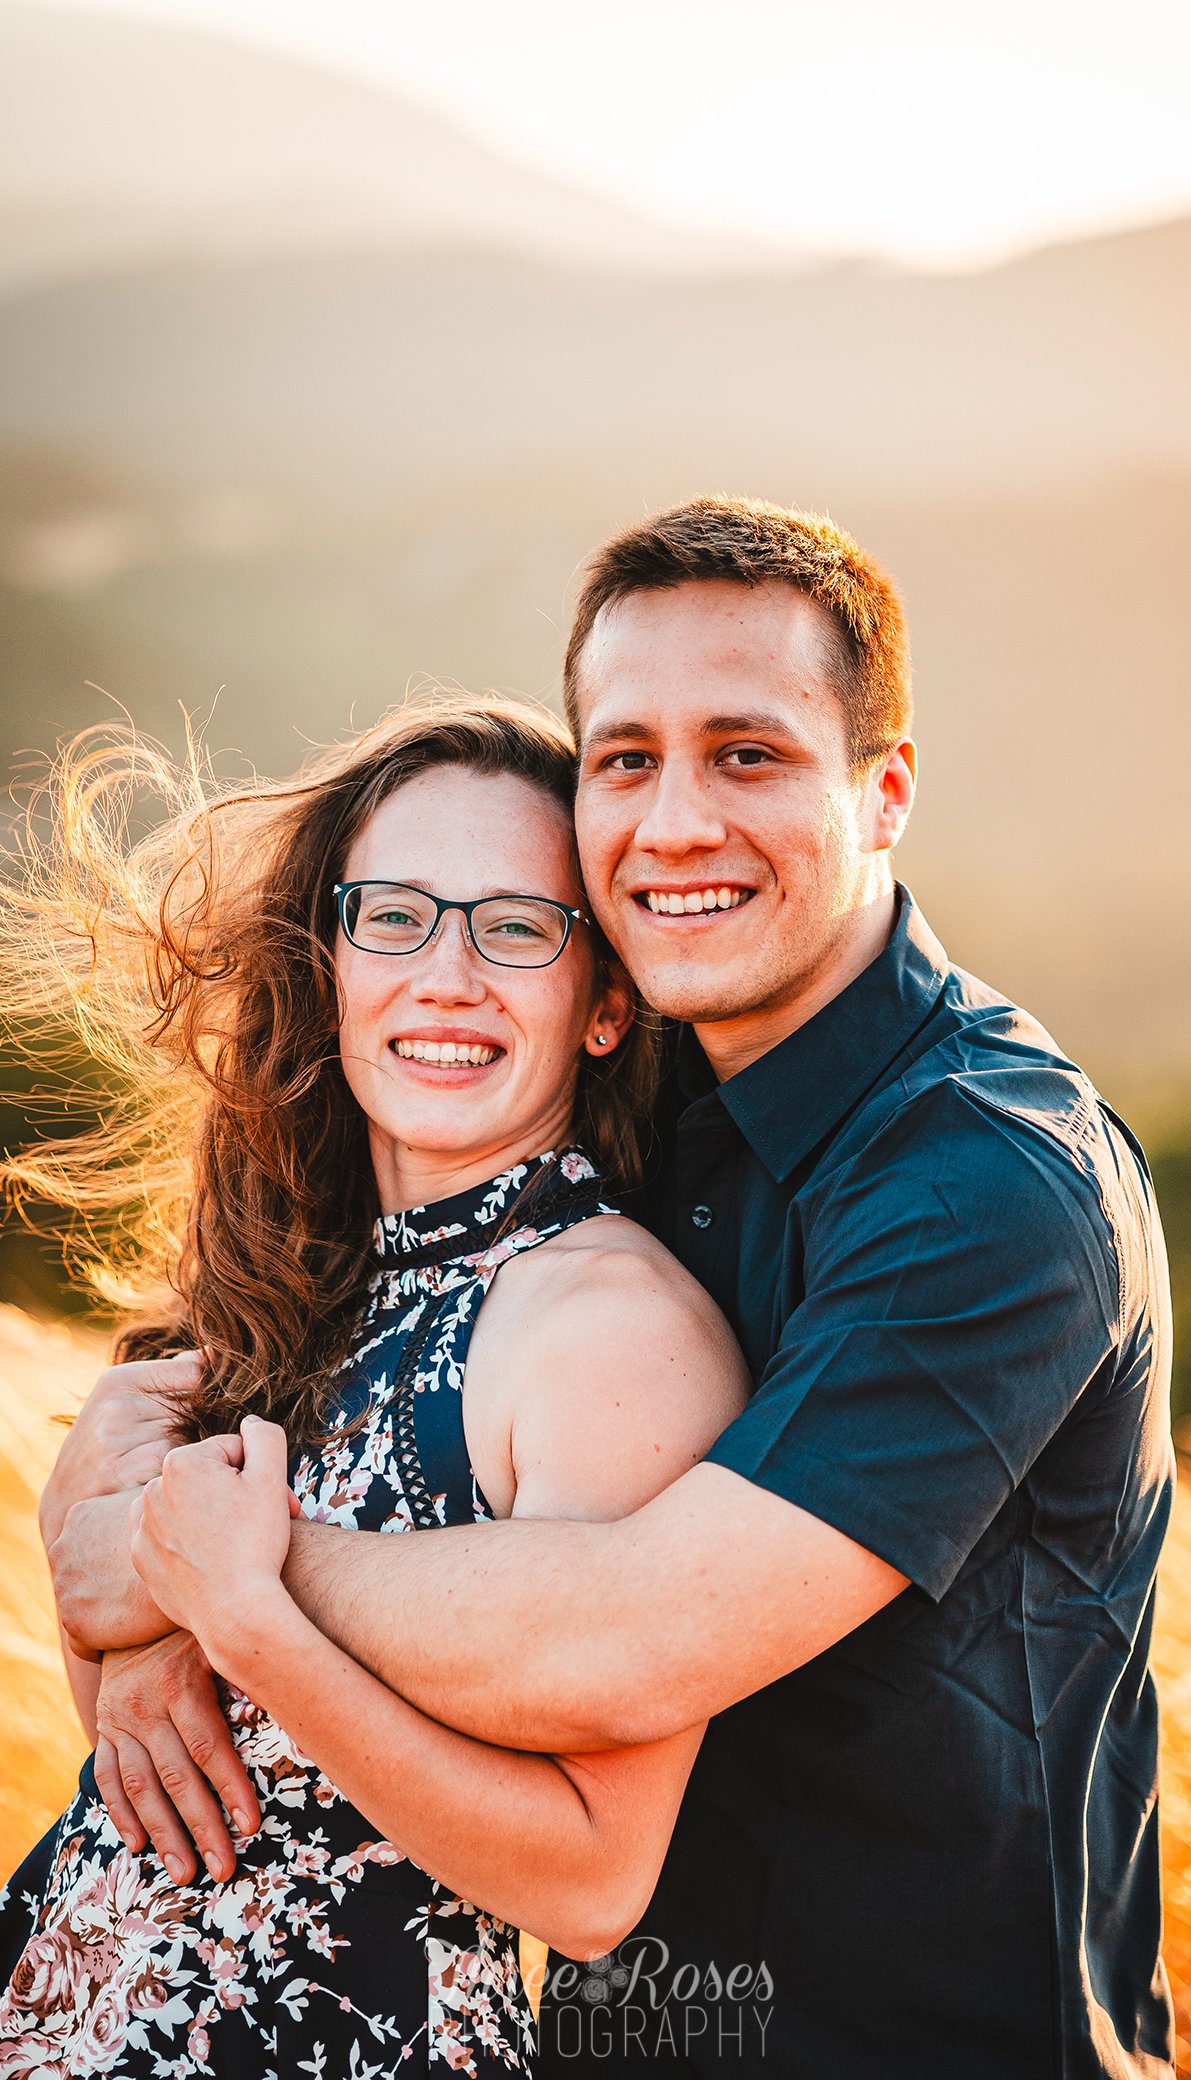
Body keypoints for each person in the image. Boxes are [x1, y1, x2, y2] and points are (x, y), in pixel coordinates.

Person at [47, 498, 1176, 2077]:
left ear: (887, 789)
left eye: (751, 753)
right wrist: (128, 1557)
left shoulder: (994, 1188)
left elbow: (637, 1635)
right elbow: (182, 1401)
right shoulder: (643, 1108)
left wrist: (212, 1584)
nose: (677, 822)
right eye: (628, 759)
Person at [0, 697, 747, 2077]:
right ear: (331, 960)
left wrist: (241, 1611)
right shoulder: (291, 1292)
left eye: (517, 927)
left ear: (604, 1004)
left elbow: (592, 1886)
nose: (448, 977)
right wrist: (118, 1611)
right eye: (394, 917)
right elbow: (147, 1784)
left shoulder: (607, 1329)